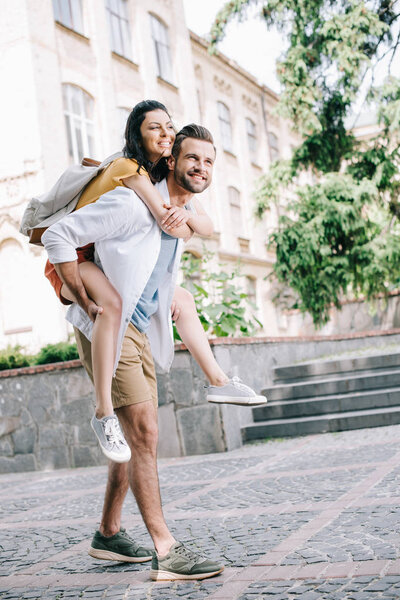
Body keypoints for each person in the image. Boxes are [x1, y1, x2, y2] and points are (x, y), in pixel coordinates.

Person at [42, 124, 226, 581]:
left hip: (141, 329)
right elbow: (58, 235)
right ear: (170, 161)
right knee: (142, 430)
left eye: (208, 161)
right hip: (110, 324)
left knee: (137, 433)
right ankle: (167, 551)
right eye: (191, 159)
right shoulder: (130, 201)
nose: (200, 168)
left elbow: (206, 230)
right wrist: (82, 295)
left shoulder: (179, 211)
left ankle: (108, 532)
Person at [43, 101, 265, 462]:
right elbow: (148, 207)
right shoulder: (129, 170)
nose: (165, 134)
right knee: (110, 306)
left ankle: (219, 382)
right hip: (76, 259)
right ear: (139, 136)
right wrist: (82, 298)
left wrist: (187, 217)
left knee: (184, 299)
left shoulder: (164, 179)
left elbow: (206, 226)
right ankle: (103, 413)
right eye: (155, 128)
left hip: (110, 265)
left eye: (169, 127)